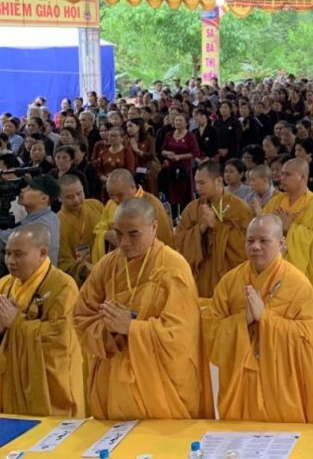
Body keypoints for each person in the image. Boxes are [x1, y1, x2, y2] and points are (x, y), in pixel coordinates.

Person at [75, 197, 210, 419]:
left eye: (133, 234)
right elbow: (82, 315)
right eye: (118, 233)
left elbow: (181, 333)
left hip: (158, 383)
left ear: (154, 227)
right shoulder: (108, 265)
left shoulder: (173, 267)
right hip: (113, 376)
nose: (124, 242)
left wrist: (132, 328)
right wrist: (110, 333)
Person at [203, 214, 313, 423]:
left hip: (283, 385)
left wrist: (265, 318)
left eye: (264, 241)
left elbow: (308, 342)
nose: (255, 247)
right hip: (240, 384)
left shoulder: (298, 285)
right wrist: (243, 320)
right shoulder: (230, 281)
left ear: (281, 244)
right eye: (250, 241)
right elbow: (210, 331)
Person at [0, 224, 84, 416]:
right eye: (7, 253)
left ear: (42, 253)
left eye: (18, 254)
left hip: (48, 386)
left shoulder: (63, 286)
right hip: (11, 379)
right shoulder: (5, 285)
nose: (10, 261)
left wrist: (17, 323)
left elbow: (62, 338)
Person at [175, 161, 253, 298]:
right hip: (200, 276)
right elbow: (179, 241)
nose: (197, 188)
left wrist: (216, 226)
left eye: (202, 183)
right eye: (196, 183)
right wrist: (200, 228)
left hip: (228, 278)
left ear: (218, 181)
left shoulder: (239, 208)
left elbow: (247, 245)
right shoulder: (192, 208)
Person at [262, 158, 313, 298]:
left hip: (303, 280)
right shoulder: (275, 202)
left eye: (287, 175)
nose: (282, 178)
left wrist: (291, 229)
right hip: (274, 272)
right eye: (282, 174)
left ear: (303, 177)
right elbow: (261, 230)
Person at [0, 170, 61, 264]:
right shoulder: (51, 216)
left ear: (44, 198)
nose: (22, 190)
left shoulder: (36, 227)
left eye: (30, 188)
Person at [93, 169, 174, 261]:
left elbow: (165, 239)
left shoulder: (152, 204)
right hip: (118, 261)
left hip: (147, 261)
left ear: (133, 187)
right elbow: (99, 229)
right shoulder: (111, 204)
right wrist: (107, 235)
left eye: (120, 195)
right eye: (111, 195)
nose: (115, 200)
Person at [57, 174, 104, 286]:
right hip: (80, 282)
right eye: (69, 197)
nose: (76, 200)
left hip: (105, 267)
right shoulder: (57, 223)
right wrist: (83, 269)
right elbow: (62, 262)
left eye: (79, 193)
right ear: (59, 198)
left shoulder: (96, 206)